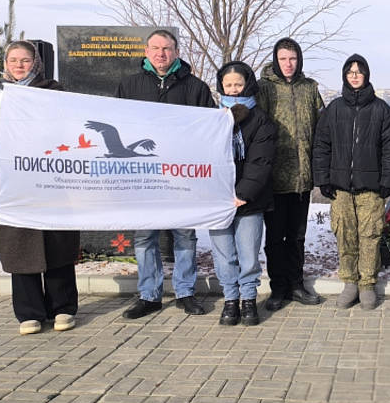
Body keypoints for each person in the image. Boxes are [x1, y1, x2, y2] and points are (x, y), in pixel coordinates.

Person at [0, 41, 80, 335]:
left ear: (36, 63)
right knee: (20, 248)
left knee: (57, 246)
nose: (19, 65)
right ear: (6, 63)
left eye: (25, 60)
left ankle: (63, 308)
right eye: (14, 60)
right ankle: (29, 312)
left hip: (52, 183)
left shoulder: (54, 93)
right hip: (12, 188)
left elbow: (70, 130)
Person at [115, 29, 215, 319]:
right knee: (145, 237)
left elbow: (208, 130)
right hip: (143, 177)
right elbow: (117, 124)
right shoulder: (129, 85)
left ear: (177, 52)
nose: (161, 54)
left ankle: (185, 292)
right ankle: (149, 295)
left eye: (167, 48)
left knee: (185, 236)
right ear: (146, 51)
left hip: (181, 177)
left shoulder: (195, 87)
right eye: (156, 48)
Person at [312, 55, 390, 310]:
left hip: (370, 189)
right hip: (340, 188)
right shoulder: (334, 109)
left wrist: (388, 181)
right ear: (344, 75)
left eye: (359, 71)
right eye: (350, 71)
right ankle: (350, 282)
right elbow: (321, 146)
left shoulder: (381, 109)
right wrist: (323, 180)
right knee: (345, 236)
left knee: (370, 236)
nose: (354, 75)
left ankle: (367, 284)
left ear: (366, 75)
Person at [256, 37, 325, 311]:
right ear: (276, 59)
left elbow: (323, 129)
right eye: (283, 58)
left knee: (297, 236)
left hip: (301, 177)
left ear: (299, 60)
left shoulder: (310, 88)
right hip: (273, 178)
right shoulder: (264, 89)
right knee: (274, 238)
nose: (288, 64)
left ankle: (296, 284)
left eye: (293, 58)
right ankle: (278, 287)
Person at [209, 62, 276, 326]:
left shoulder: (261, 120)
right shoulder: (211, 119)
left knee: (248, 254)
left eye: (239, 84)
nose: (234, 90)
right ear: (221, 87)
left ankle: (248, 300)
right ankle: (230, 300)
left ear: (247, 85)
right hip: (218, 200)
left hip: (250, 200)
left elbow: (260, 162)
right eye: (229, 85)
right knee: (224, 254)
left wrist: (243, 193)